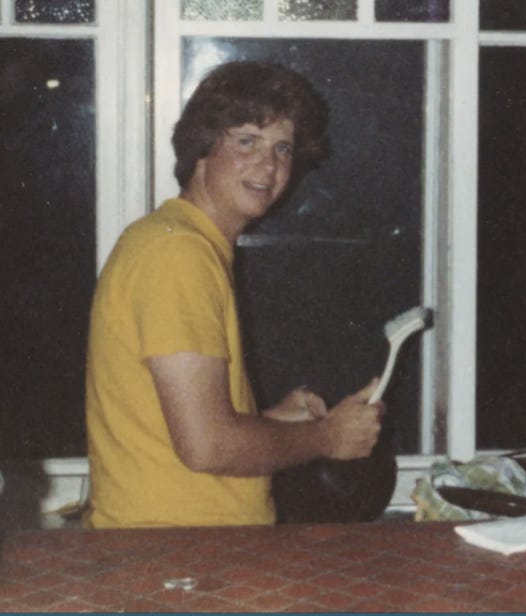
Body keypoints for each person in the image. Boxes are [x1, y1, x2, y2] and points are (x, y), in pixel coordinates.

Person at [84, 61, 383, 528]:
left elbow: (180, 427)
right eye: (247, 141)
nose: (269, 164)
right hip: (177, 555)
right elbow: (206, 445)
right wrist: (326, 438)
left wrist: (273, 420)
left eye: (282, 148)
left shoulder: (173, 238)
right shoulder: (178, 255)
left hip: (177, 547)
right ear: (202, 148)